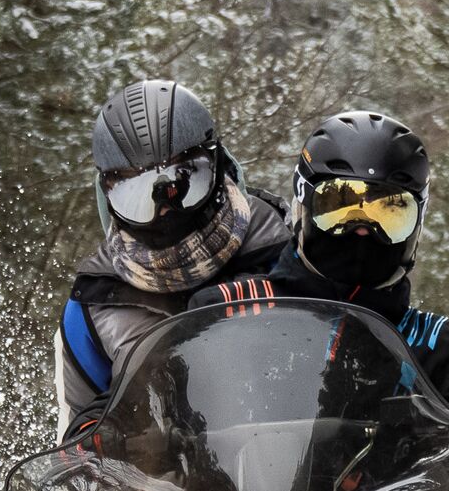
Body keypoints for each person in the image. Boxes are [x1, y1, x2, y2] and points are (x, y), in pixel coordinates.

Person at [201, 109, 449, 426]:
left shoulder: (435, 345)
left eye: (389, 212)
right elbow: (173, 411)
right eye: (339, 205)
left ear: (416, 225)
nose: (362, 229)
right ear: (303, 208)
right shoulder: (231, 310)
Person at [53, 79, 292, 429]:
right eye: (137, 194)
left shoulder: (281, 244)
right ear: (107, 197)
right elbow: (74, 442)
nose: (165, 209)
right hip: (167, 483)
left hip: (298, 468)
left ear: (218, 165)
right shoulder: (93, 304)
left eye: (184, 181)